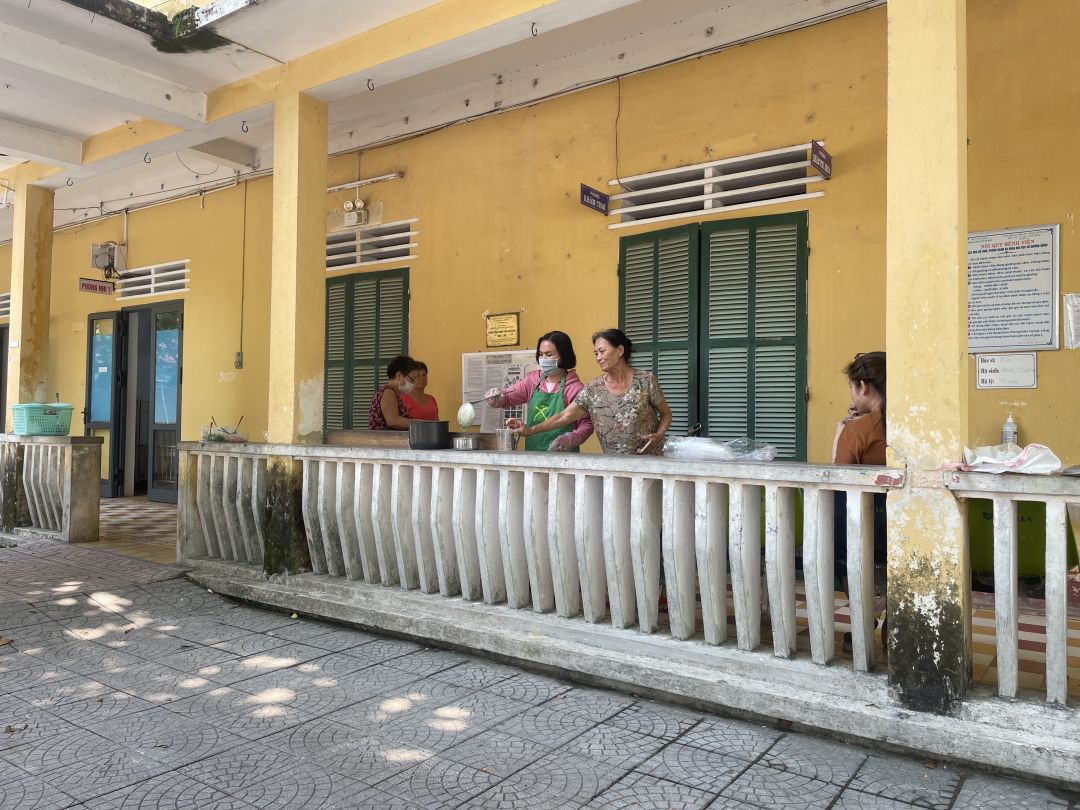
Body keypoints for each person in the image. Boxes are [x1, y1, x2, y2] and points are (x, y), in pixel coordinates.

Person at [507, 328, 671, 455]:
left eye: (602, 351)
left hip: (649, 462)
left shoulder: (645, 380)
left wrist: (659, 434)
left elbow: (666, 414)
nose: (598, 357)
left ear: (620, 350)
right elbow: (565, 416)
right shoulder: (593, 389)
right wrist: (531, 430)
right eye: (595, 353)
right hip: (613, 466)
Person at [832, 351, 888, 651]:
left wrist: (840, 432)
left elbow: (837, 477)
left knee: (834, 531)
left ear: (864, 387)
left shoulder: (858, 430)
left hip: (864, 529)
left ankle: (864, 620)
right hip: (901, 526)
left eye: (853, 388)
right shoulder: (909, 425)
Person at [485, 331, 593, 452]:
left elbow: (586, 424)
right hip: (533, 453)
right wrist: (497, 397)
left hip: (564, 456)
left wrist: (570, 439)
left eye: (548, 354)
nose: (543, 359)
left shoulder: (574, 387)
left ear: (563, 356)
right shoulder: (532, 381)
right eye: (541, 354)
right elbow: (507, 396)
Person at [368, 355, 419, 430]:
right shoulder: (388, 392)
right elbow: (393, 421)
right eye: (412, 379)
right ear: (399, 376)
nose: (413, 384)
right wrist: (422, 424)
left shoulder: (394, 394)